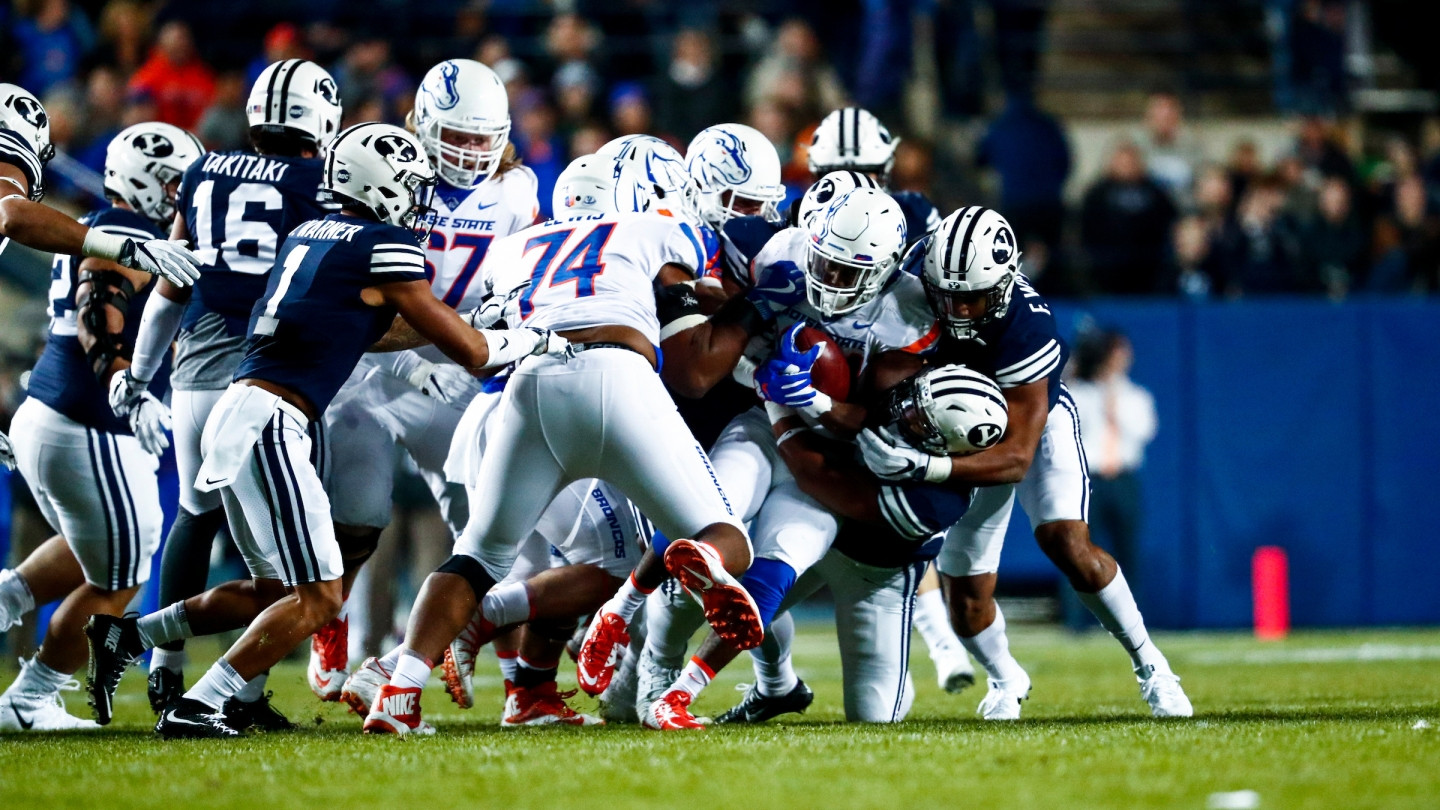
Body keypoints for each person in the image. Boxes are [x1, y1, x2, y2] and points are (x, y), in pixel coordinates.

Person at [84, 122, 567, 739]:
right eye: (412, 184)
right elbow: (472, 351)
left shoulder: (310, 233)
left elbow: (370, 328)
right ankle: (203, 701)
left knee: (274, 589)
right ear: (381, 183)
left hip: (241, 411)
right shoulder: (382, 245)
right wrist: (524, 336)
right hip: (272, 423)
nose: (419, 196)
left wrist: (471, 326)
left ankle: (130, 633)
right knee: (320, 597)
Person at [360, 152, 761, 736]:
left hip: (524, 387)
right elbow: (707, 291)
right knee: (724, 537)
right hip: (617, 377)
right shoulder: (651, 226)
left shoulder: (515, 247)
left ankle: (398, 692)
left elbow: (455, 318)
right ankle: (698, 559)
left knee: (477, 556)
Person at [856, 206, 1192, 720]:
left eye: (972, 298)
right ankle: (1005, 676)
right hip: (955, 430)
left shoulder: (1026, 326)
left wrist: (925, 468)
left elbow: (1015, 458)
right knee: (965, 606)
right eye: (949, 297)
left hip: (1030, 425)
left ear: (1004, 282)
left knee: (1066, 541)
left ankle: (1153, 667)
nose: (959, 311)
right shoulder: (918, 273)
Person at [109, 59, 343, 716]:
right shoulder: (315, 183)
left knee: (193, 515)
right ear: (320, 117)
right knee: (275, 559)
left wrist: (138, 374)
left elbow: (169, 286)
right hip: (268, 377)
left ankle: (164, 667)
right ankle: (242, 690)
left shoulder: (205, 171)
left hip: (194, 370)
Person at [310, 57, 540, 702]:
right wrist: (415, 348)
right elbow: (352, 284)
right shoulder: (384, 167)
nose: (468, 152)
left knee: (489, 529)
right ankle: (330, 617)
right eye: (456, 136)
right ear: (420, 124)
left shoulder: (517, 191)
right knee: (355, 517)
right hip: (369, 366)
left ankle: (520, 683)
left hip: (458, 369)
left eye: (480, 138)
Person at [0, 122, 202, 732]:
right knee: (121, 579)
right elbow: (97, 303)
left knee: (97, 554)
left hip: (54, 414)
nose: (180, 196)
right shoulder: (129, 232)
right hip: (86, 419)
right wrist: (120, 376)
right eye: (172, 182)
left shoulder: (114, 226)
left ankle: (6, 600)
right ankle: (31, 699)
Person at [716, 363, 1006, 725]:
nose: (906, 413)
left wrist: (778, 405)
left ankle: (906, 667)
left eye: (921, 422)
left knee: (873, 717)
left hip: (874, 579)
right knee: (742, 603)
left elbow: (817, 476)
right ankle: (776, 685)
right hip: (827, 540)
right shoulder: (896, 384)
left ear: (947, 451)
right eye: (915, 401)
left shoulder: (937, 502)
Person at [1, 84, 203, 290]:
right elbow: (11, 213)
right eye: (173, 182)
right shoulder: (120, 226)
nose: (179, 193)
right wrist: (126, 249)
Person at [1066, 329, 1157, 613]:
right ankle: (1076, 622)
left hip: (1123, 478)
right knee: (1077, 549)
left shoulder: (1135, 396)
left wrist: (1111, 396)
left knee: (1127, 550)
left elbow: (1144, 431)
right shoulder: (1079, 392)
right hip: (1088, 479)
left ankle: (1132, 617)